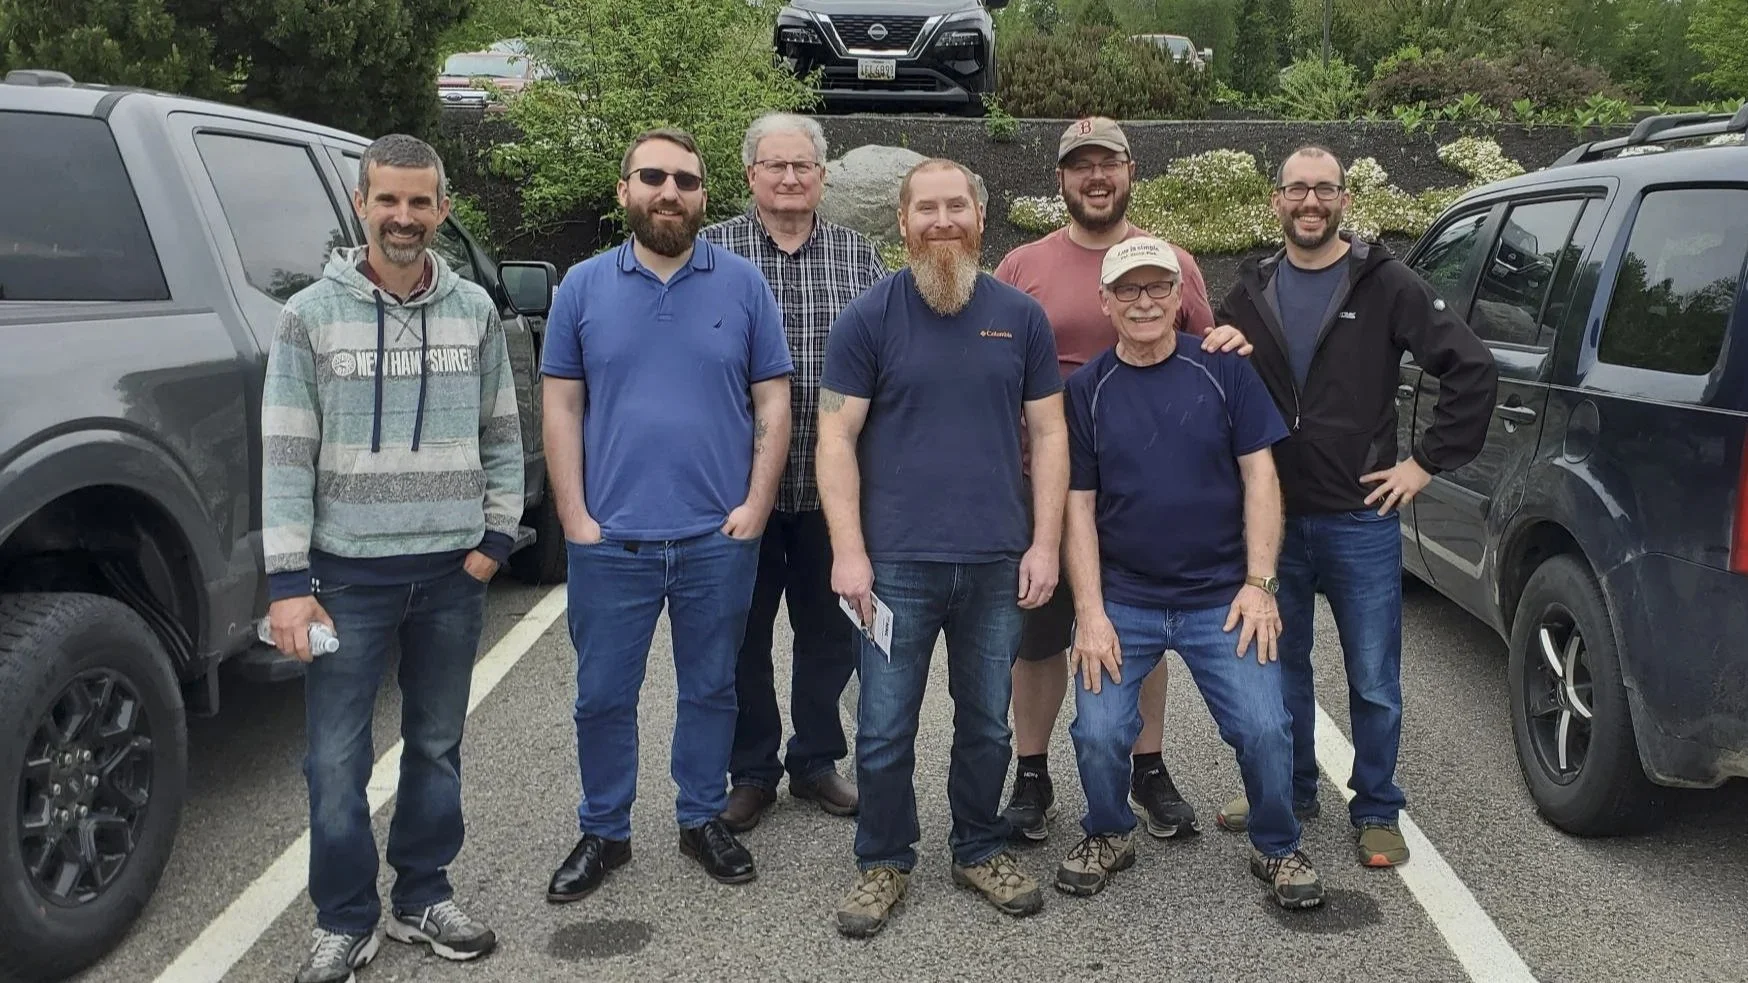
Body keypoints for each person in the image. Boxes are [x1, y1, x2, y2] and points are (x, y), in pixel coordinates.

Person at [262, 133, 519, 983]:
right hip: (347, 580)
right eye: (388, 201)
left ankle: (423, 894)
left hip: (451, 577)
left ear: (443, 209)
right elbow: (285, 456)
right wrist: (289, 585)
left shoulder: (474, 313)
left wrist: (492, 540)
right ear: (361, 205)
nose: (403, 218)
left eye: (420, 202)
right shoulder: (308, 316)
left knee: (436, 744)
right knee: (334, 760)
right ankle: (344, 917)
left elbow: (502, 435)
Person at [1212, 146, 1496, 867]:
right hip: (1275, 521)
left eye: (1325, 190)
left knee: (1373, 677)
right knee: (1283, 671)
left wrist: (1425, 462)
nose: (1311, 202)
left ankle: (1375, 806)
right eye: (1298, 189)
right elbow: (1213, 388)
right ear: (1276, 201)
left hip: (1360, 519)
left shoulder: (1386, 283)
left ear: (1344, 199)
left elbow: (1470, 367)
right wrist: (1225, 353)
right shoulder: (1250, 292)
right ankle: (1294, 789)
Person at [540, 129, 794, 901]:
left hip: (715, 537)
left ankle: (698, 816)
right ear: (624, 191)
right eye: (652, 176)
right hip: (610, 538)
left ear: (703, 196)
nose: (669, 191)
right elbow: (561, 403)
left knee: (713, 688)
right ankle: (604, 830)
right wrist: (574, 515)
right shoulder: (581, 287)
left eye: (685, 179)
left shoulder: (745, 284)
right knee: (602, 695)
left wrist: (756, 504)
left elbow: (773, 400)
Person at [818, 158, 1067, 938]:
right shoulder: (868, 317)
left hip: (997, 558)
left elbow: (1051, 433)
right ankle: (884, 860)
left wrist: (1047, 542)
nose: (941, 221)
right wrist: (849, 551)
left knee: (988, 721)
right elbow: (835, 436)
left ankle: (977, 847)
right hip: (895, 563)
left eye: (955, 206)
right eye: (925, 208)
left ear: (980, 217)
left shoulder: (1021, 316)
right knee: (886, 727)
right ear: (902, 223)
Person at [992, 116, 1249, 844]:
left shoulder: (1172, 262)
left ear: (1131, 171)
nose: (1095, 177)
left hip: (1142, 492)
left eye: (1108, 163)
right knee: (1039, 638)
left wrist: (1230, 339)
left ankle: (1148, 765)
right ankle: (1033, 773)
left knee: (1138, 629)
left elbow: (1208, 349)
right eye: (1080, 166)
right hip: (1040, 485)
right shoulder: (1022, 266)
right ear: (1061, 180)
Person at [1053, 236, 1323, 910]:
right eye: (1128, 290)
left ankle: (1277, 842)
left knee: (1266, 726)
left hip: (1220, 598)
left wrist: (1260, 584)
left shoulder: (1224, 369)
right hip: (1127, 601)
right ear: (1105, 302)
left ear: (1180, 297)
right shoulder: (1085, 389)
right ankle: (1110, 831)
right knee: (1098, 731)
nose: (1143, 302)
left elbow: (1261, 475)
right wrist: (1090, 610)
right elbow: (1076, 507)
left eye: (1157, 288)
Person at [701, 112, 886, 832]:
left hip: (829, 492)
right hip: (737, 492)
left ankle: (814, 760)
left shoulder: (856, 255)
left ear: (822, 175)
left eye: (802, 166)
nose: (788, 177)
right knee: (742, 637)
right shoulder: (712, 252)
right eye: (774, 165)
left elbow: (881, 360)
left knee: (827, 636)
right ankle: (751, 770)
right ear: (749, 174)